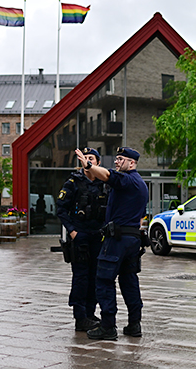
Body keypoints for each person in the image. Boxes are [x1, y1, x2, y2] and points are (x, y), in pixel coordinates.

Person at [75, 146, 148, 341]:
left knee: (104, 279)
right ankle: (134, 324)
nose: (116, 162)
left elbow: (107, 175)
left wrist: (88, 165)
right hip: (132, 239)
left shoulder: (128, 179)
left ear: (131, 163)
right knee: (129, 280)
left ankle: (108, 326)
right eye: (115, 159)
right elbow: (141, 217)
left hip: (117, 239)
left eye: (120, 159)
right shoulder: (141, 184)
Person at [56, 148, 109, 332]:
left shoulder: (104, 183)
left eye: (91, 158)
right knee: (81, 277)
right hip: (80, 236)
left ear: (98, 163)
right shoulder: (73, 182)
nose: (87, 161)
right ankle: (80, 317)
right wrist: (72, 231)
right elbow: (61, 209)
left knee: (96, 276)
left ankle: (90, 313)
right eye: (84, 158)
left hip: (98, 236)